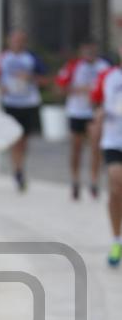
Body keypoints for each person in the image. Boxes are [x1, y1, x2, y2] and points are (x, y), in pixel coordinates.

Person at [56, 40, 110, 200]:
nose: (89, 53)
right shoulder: (73, 66)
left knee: (95, 146)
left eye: (92, 50)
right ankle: (75, 180)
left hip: (95, 112)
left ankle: (94, 180)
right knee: (76, 147)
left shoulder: (104, 67)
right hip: (77, 111)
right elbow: (60, 88)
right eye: (86, 50)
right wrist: (78, 89)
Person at [0, 30, 46, 191]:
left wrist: (29, 77)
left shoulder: (31, 58)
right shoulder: (3, 58)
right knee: (15, 138)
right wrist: (1, 86)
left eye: (20, 40)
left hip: (28, 103)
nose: (17, 43)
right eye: (14, 40)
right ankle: (17, 170)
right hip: (11, 103)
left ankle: (20, 167)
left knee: (24, 139)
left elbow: (44, 79)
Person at [91, 58, 122, 266]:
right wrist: (99, 113)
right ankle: (116, 240)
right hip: (114, 141)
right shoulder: (108, 76)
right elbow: (95, 102)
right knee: (117, 186)